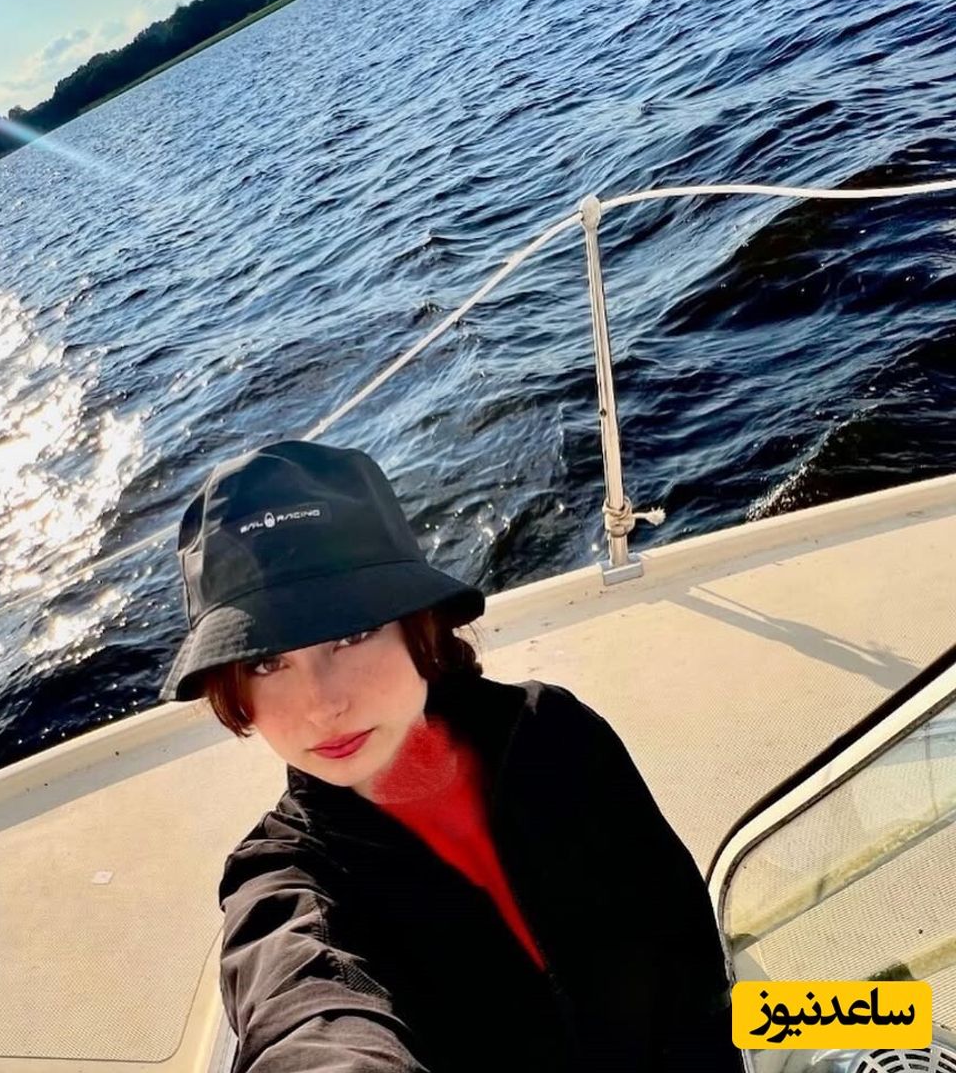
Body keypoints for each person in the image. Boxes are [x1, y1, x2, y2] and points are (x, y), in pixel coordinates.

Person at [161, 439, 742, 1073]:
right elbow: (305, 1010)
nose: (321, 705)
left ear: (419, 624)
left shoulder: (552, 730)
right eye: (265, 663)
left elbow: (687, 945)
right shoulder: (284, 879)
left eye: (351, 633)